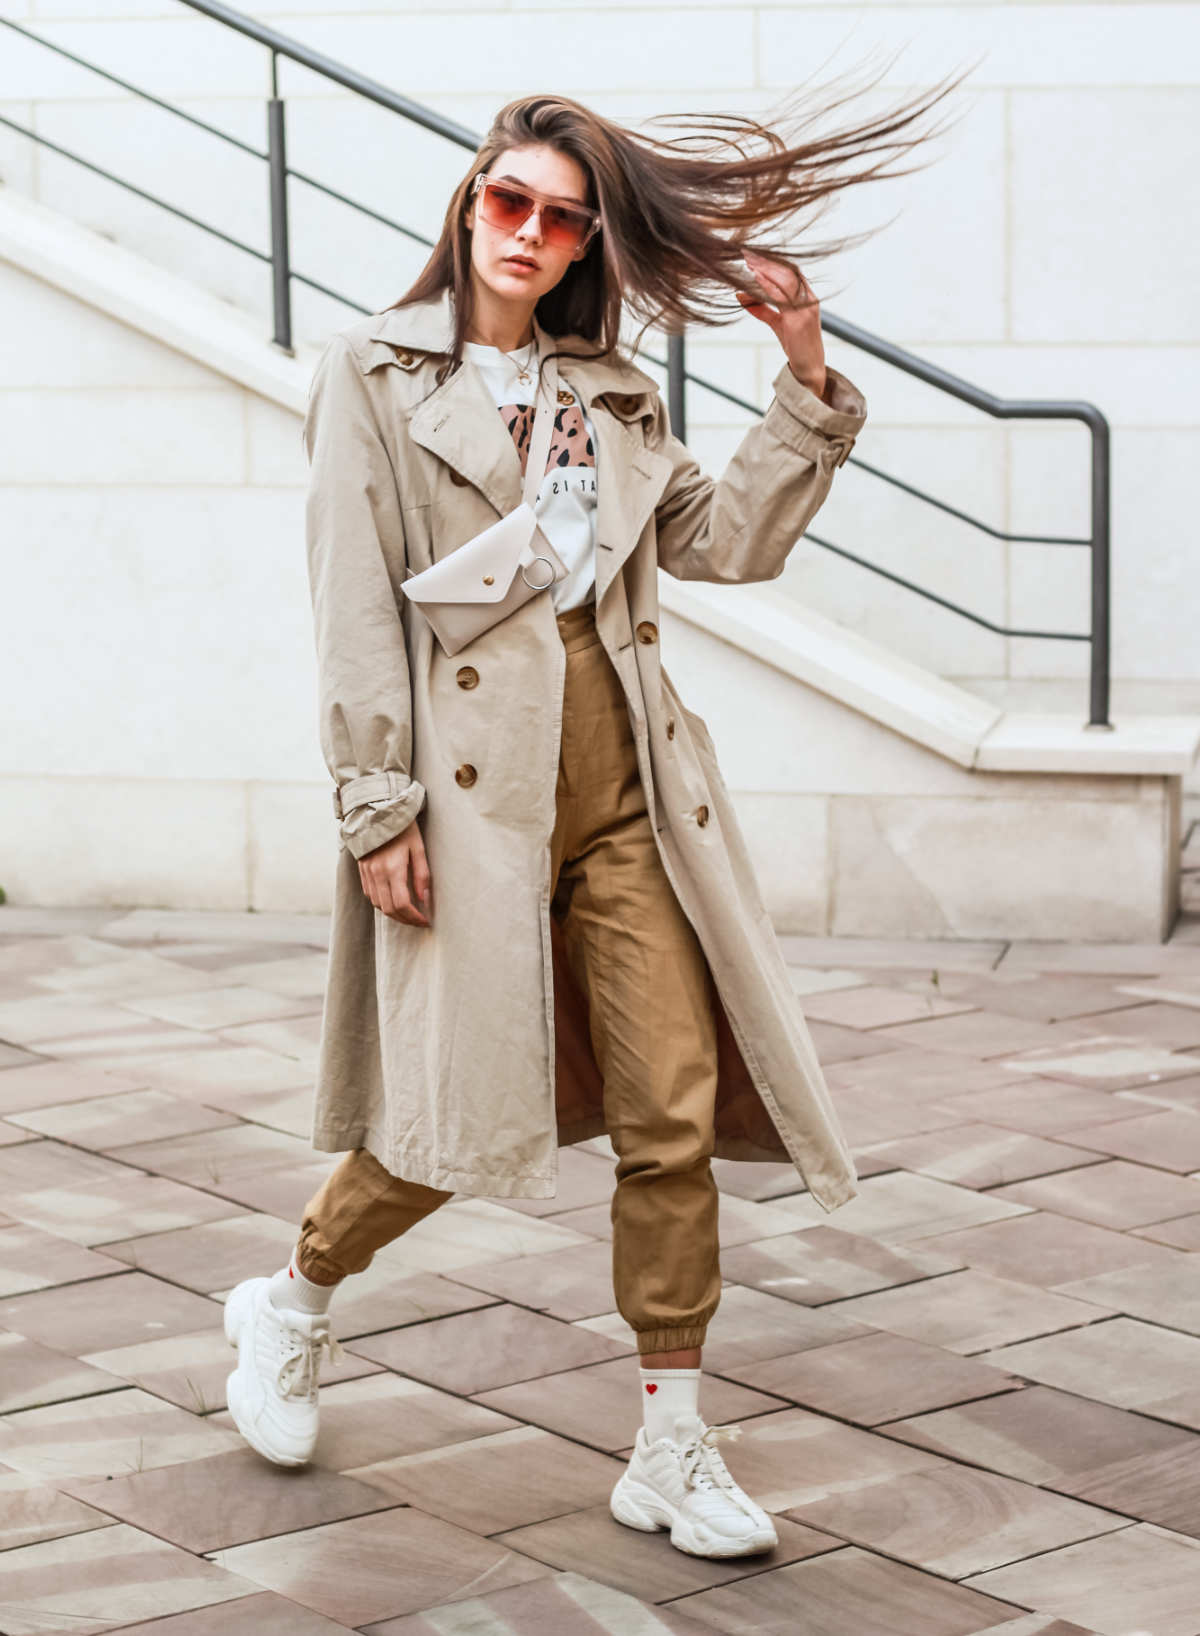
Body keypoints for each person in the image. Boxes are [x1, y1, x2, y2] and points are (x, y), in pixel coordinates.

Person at [224, 82, 958, 1559]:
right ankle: (291, 1297)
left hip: (625, 792)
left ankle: (671, 1446)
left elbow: (725, 545)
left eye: (563, 218)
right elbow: (353, 601)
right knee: (449, 1123)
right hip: (466, 794)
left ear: (584, 246)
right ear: (468, 201)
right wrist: (377, 805)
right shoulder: (370, 373)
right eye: (511, 200)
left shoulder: (613, 397)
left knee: (668, 1114)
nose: (532, 233)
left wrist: (805, 373)